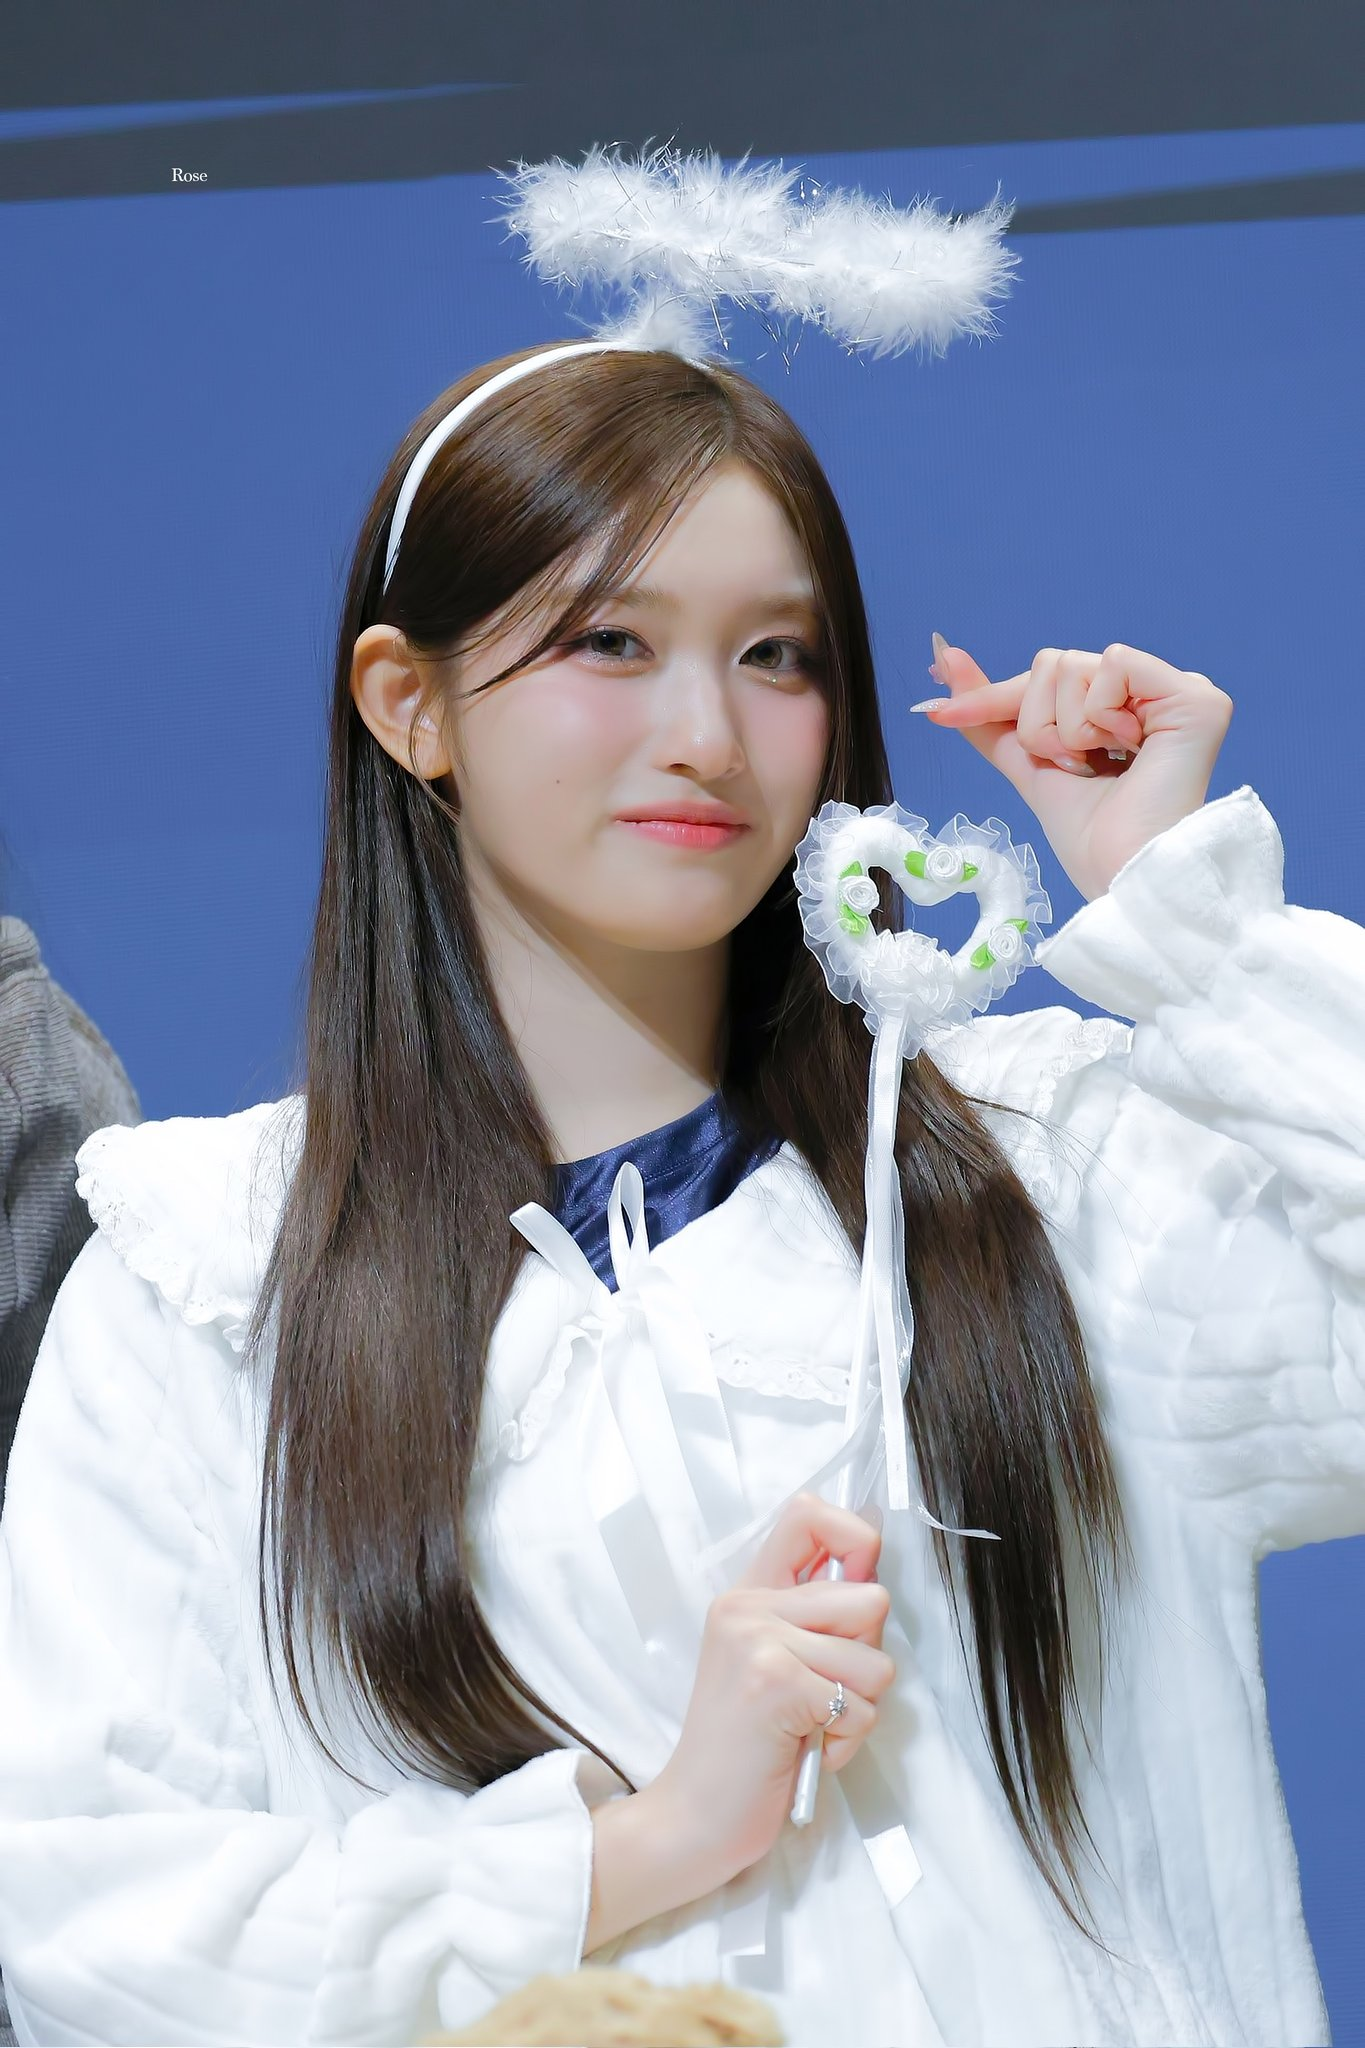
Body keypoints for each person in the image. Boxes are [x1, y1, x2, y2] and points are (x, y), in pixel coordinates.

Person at [0, 336, 1359, 2048]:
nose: (708, 736)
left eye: (776, 655)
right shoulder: (209, 1278)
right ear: (408, 703)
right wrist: (629, 1850)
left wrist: (1190, 912)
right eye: (612, 644)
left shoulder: (1045, 1171)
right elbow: (93, 1933)